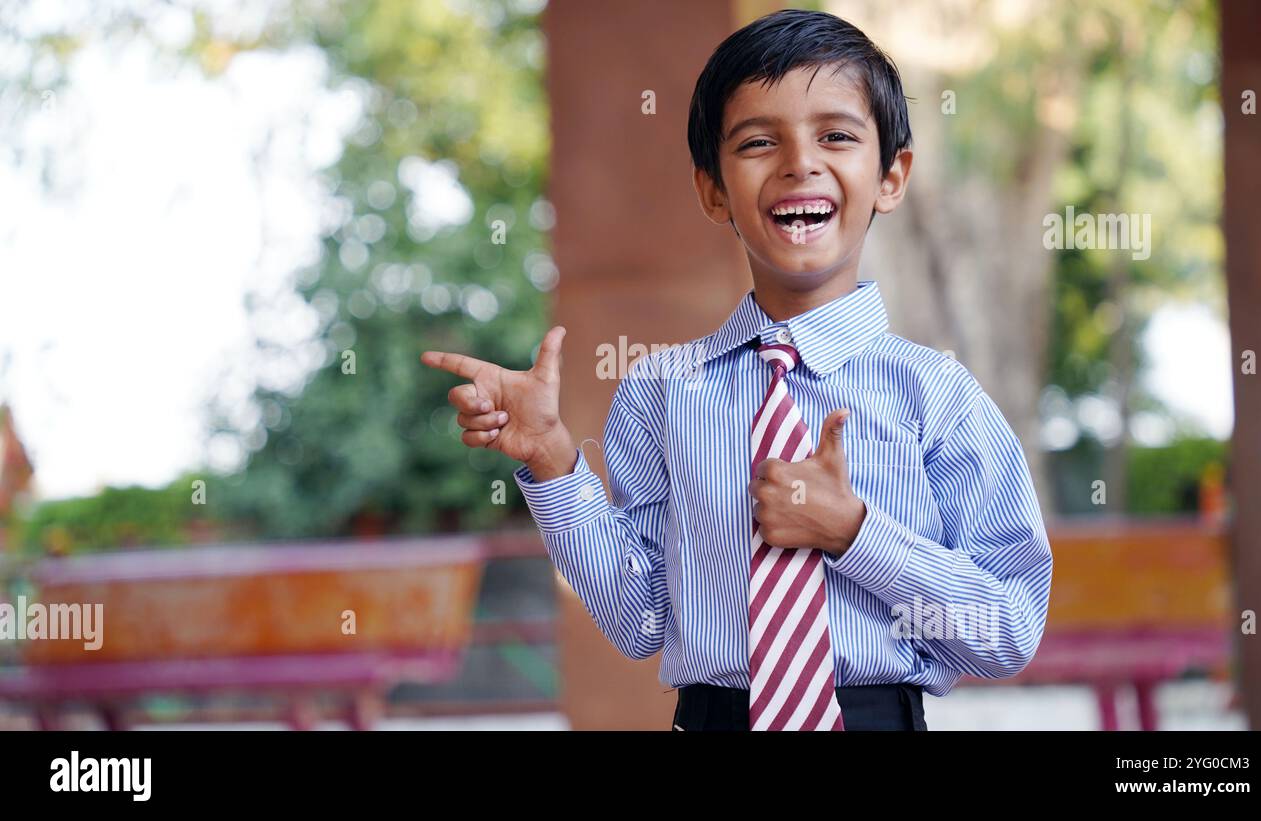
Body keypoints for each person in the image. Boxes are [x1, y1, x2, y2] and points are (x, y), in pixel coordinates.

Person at [423, 8, 1053, 731]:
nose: (799, 163)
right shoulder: (660, 392)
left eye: (837, 136)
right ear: (713, 189)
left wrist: (854, 532)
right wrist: (554, 460)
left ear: (891, 175)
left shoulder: (938, 395)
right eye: (758, 142)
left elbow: (1007, 628)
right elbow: (638, 620)